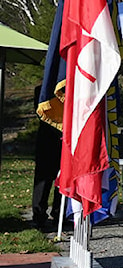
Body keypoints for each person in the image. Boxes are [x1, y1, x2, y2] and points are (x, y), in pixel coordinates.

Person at [31, 85, 63, 232]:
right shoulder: (42, 90)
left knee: (63, 178)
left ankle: (60, 213)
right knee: (43, 179)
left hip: (65, 139)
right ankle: (38, 215)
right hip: (47, 138)